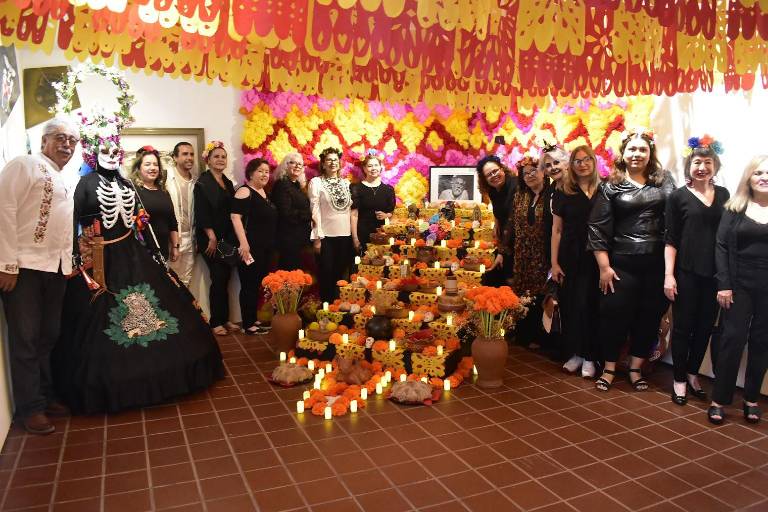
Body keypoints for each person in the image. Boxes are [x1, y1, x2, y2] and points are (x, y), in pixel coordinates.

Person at [53, 114, 224, 414]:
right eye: (105, 151)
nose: (110, 155)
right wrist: (75, 256)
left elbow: (140, 222)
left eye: (115, 151)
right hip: (102, 258)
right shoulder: (84, 184)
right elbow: (71, 221)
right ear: (94, 153)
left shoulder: (127, 185)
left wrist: (157, 252)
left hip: (135, 254)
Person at [0, 118, 77, 434]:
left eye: (72, 140)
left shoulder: (61, 178)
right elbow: (3, 208)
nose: (67, 145)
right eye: (60, 138)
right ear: (43, 141)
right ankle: (29, 408)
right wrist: (6, 263)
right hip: (25, 269)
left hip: (55, 269)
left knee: (49, 335)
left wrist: (68, 264)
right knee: (26, 339)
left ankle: (44, 396)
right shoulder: (25, 164)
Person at [588, 129, 675, 392]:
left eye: (642, 150)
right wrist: (604, 267)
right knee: (614, 316)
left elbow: (675, 219)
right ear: (623, 154)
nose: (636, 154)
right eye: (632, 149)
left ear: (650, 154)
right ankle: (610, 368)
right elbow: (596, 227)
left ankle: (636, 369)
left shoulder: (665, 182)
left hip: (656, 264)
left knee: (648, 318)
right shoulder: (610, 185)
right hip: (621, 265)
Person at [664, 136, 729, 406]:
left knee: (704, 328)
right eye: (697, 162)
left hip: (714, 275)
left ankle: (692, 374)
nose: (702, 167)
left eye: (707, 162)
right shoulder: (678, 197)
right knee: (683, 328)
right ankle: (678, 379)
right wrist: (669, 274)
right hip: (686, 273)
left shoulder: (725, 195)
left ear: (716, 165)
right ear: (689, 165)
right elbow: (670, 239)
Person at [708, 155, 768, 425]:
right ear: (749, 177)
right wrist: (724, 284)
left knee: (762, 343)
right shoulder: (734, 208)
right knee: (732, 340)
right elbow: (720, 247)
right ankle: (719, 399)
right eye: (758, 172)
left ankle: (751, 399)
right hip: (738, 285)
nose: (763, 177)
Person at [551, 145, 600, 378]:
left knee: (592, 306)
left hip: (598, 257)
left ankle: (591, 356)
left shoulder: (605, 189)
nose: (582, 164)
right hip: (570, 256)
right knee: (572, 305)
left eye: (586, 159)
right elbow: (557, 230)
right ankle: (577, 354)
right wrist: (554, 263)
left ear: (593, 161)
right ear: (572, 165)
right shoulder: (564, 191)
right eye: (577, 160)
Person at [501, 156, 552, 349]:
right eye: (525, 173)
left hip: (543, 254)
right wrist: (502, 251)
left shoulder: (552, 194)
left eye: (533, 171)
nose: (530, 175)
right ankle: (523, 334)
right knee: (522, 293)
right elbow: (512, 223)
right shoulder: (520, 195)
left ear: (543, 172)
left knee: (540, 294)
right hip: (522, 254)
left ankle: (539, 337)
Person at [194, 141, 238, 336]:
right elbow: (201, 212)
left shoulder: (227, 182)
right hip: (210, 239)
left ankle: (226, 319)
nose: (220, 160)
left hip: (227, 240)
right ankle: (215, 322)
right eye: (216, 156)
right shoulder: (202, 182)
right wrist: (211, 236)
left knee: (226, 278)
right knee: (218, 278)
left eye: (223, 156)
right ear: (208, 160)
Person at [231, 159, 277, 335]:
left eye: (267, 171)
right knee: (249, 284)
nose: (265, 174)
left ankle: (252, 318)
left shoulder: (263, 192)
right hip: (249, 249)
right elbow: (235, 217)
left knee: (256, 283)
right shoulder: (244, 191)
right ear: (250, 173)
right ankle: (247, 324)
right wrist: (244, 244)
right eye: (260, 171)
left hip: (264, 248)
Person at [308, 147, 353, 302]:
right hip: (326, 236)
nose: (333, 163)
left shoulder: (346, 183)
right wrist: (317, 238)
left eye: (335, 159)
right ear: (323, 164)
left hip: (345, 236)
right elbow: (314, 211)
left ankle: (339, 309)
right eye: (329, 160)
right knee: (326, 274)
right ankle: (326, 309)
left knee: (341, 275)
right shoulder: (316, 182)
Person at [131, 146, 180, 262]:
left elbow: (172, 222)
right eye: (147, 164)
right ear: (138, 168)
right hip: (141, 251)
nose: (152, 168)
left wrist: (175, 246)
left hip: (162, 250)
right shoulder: (133, 191)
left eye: (155, 164)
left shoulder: (164, 191)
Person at [476, 155, 517, 286]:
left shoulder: (514, 185)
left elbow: (512, 218)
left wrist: (501, 252)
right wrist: (497, 222)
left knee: (507, 278)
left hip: (516, 237)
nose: (493, 176)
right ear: (485, 179)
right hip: (505, 237)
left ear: (502, 169)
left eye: (495, 171)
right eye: (489, 175)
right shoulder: (493, 191)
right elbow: (500, 210)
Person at [272, 153, 312, 270]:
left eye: (300, 164)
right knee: (288, 274)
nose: (297, 166)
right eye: (293, 162)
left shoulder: (296, 185)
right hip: (288, 239)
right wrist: (309, 215)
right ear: (286, 165)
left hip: (297, 239)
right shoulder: (282, 184)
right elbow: (286, 213)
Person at [351, 151, 396, 252]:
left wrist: (386, 215)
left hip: (383, 234)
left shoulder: (388, 189)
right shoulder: (356, 188)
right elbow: (353, 214)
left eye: (376, 165)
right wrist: (355, 238)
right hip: (362, 233)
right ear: (364, 169)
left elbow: (392, 213)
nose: (373, 168)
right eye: (370, 166)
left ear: (380, 167)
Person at [167, 142, 197, 287]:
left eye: (191, 154)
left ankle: (185, 310)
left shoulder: (196, 181)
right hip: (172, 239)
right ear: (175, 157)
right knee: (170, 282)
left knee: (186, 281)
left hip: (190, 239)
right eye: (185, 154)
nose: (189, 157)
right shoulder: (166, 178)